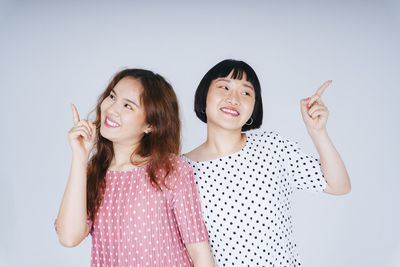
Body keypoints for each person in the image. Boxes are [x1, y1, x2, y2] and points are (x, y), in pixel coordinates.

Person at [183, 59, 351, 266]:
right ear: (204, 95)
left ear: (254, 107)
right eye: (224, 87)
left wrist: (317, 132)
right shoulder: (181, 170)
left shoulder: (273, 146)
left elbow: (339, 185)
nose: (233, 98)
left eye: (246, 92)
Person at [55, 69, 215, 267]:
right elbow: (69, 237)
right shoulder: (93, 172)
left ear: (150, 124)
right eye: (112, 96)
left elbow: (199, 252)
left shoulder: (172, 169)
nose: (112, 109)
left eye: (127, 106)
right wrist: (80, 156)